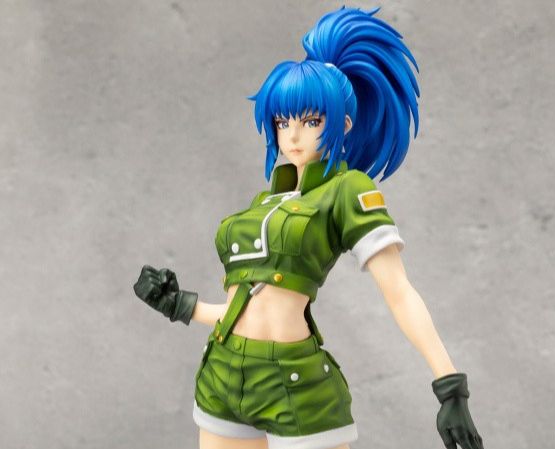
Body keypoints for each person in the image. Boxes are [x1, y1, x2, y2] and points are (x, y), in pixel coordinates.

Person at [134, 7, 484, 449]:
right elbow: (246, 307)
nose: (293, 136)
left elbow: (399, 292)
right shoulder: (264, 204)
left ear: (343, 124)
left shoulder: (347, 190)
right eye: (283, 122)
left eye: (311, 121)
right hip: (222, 373)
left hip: (293, 382)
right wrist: (178, 303)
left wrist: (449, 384)